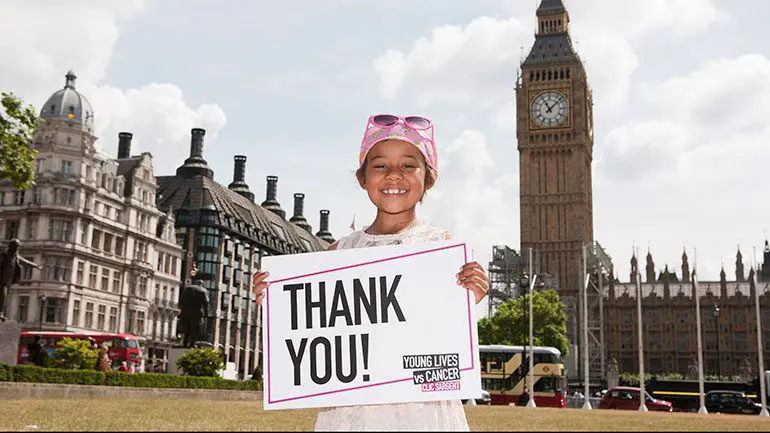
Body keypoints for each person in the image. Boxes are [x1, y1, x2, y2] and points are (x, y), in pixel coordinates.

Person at [252, 113, 490, 431]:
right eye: (380, 165)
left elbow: (443, 326)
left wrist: (468, 294)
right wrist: (276, 301)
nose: (394, 175)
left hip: (421, 410)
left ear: (428, 178)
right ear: (363, 178)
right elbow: (313, 325)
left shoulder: (442, 246)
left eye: (408, 165)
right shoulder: (339, 251)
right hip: (352, 412)